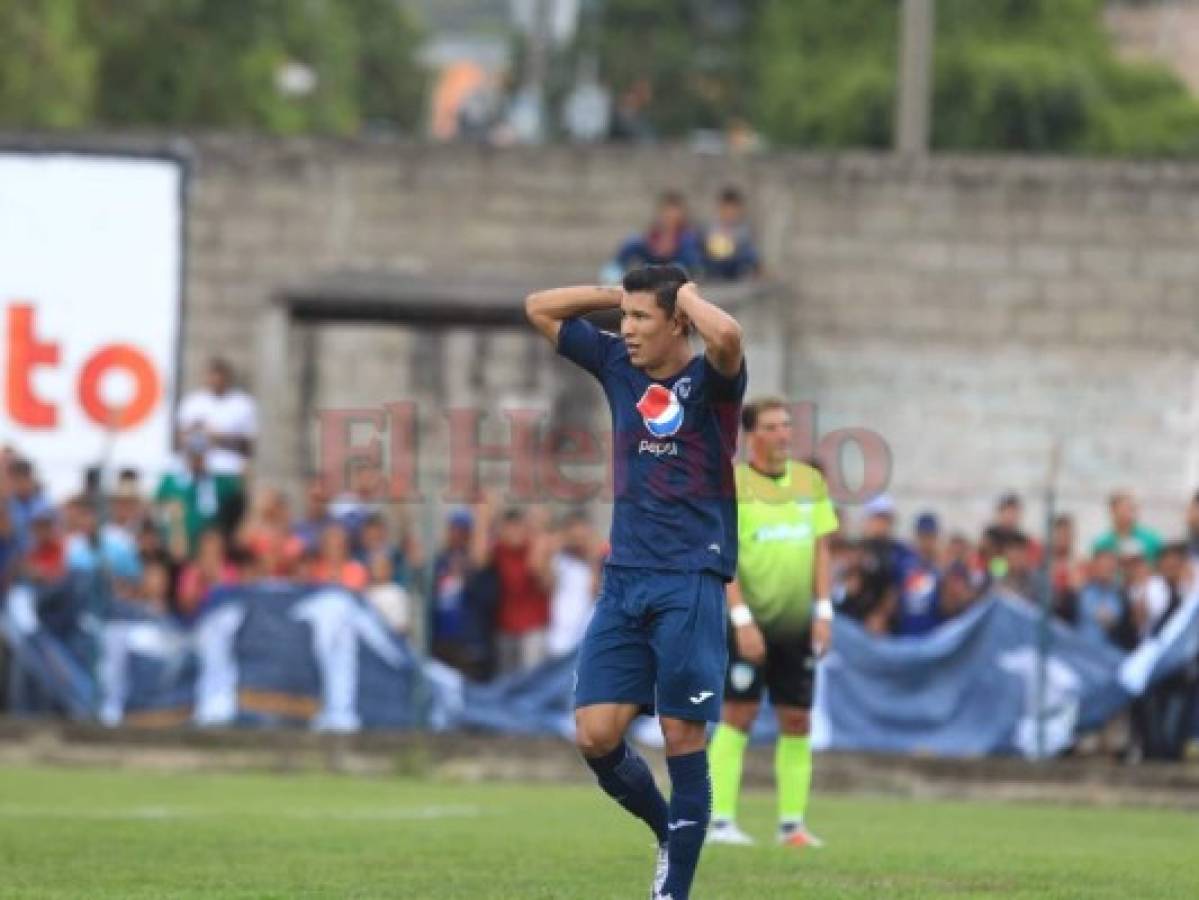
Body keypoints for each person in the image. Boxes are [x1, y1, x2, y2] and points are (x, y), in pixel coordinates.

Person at [526, 264, 746, 900]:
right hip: (624, 580)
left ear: (677, 320)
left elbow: (727, 337)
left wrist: (690, 294)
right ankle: (666, 834)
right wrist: (612, 295)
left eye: (640, 318)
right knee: (595, 735)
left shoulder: (711, 383)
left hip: (690, 579)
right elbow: (539, 307)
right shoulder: (618, 366)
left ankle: (671, 892)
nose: (626, 330)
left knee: (682, 736)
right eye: (623, 319)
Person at [706, 397, 836, 850]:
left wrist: (824, 612)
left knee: (798, 719)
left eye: (787, 425)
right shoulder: (733, 486)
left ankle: (792, 826)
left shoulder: (810, 482)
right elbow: (725, 559)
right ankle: (719, 820)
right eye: (774, 427)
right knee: (737, 713)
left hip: (797, 624)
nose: (784, 434)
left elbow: (822, 549)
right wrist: (741, 620)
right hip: (748, 622)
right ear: (752, 435)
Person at [545, 511, 600, 659]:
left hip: (585, 640)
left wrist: (592, 556)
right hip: (560, 641)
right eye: (575, 535)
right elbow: (545, 582)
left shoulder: (597, 563)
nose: (579, 540)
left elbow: (595, 590)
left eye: (583, 535)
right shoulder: (559, 560)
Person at [611, 192, 703, 276]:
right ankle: (615, 272)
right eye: (667, 212)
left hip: (678, 269)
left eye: (674, 213)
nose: (670, 216)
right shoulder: (653, 234)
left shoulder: (687, 237)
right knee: (633, 241)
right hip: (652, 268)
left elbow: (691, 259)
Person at [701, 187, 761, 282]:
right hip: (716, 264)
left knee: (748, 253)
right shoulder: (712, 227)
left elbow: (748, 252)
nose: (729, 213)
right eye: (726, 209)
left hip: (735, 264)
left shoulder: (743, 230)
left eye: (733, 209)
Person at [1093, 491, 1163, 563]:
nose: (1127, 514)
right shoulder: (1102, 543)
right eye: (1123, 509)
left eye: (1131, 509)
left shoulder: (1151, 539)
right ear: (1112, 511)